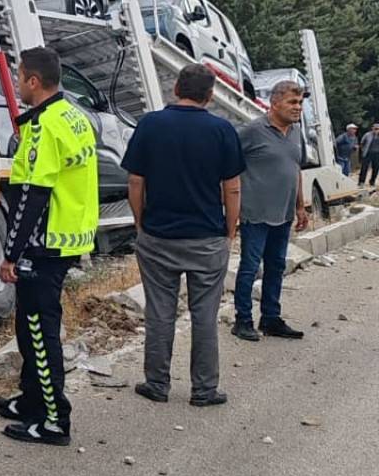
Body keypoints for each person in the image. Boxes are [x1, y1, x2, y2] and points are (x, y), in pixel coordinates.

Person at [0, 47, 99, 447]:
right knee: (29, 326)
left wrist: (10, 253)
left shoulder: (42, 127)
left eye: (20, 78)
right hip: (69, 236)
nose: (18, 85)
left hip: (44, 243)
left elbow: (32, 196)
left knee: (39, 332)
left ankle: (54, 420)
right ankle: (32, 401)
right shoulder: (75, 116)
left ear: (33, 81)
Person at [120, 65, 244, 408]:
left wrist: (140, 222)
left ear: (175, 88)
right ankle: (204, 390)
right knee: (205, 315)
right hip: (206, 238)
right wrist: (229, 231)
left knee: (160, 312)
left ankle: (157, 384)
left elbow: (135, 181)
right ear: (210, 95)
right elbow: (232, 188)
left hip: (158, 237)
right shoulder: (222, 130)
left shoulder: (150, 125)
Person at [232, 80, 310, 342]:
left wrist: (300, 206)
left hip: (284, 213)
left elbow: (295, 169)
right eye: (292, 102)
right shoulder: (252, 131)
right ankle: (242, 320)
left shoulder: (296, 132)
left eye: (300, 102)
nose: (298, 107)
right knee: (250, 267)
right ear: (274, 103)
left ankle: (271, 318)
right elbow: (228, 165)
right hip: (255, 213)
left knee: (276, 266)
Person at [357, 124, 379, 188]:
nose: (376, 130)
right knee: (364, 168)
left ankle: (372, 182)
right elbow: (361, 143)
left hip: (377, 154)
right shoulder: (367, 135)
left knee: (376, 168)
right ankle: (361, 182)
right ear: (372, 128)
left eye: (378, 129)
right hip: (368, 153)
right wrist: (363, 150)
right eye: (375, 128)